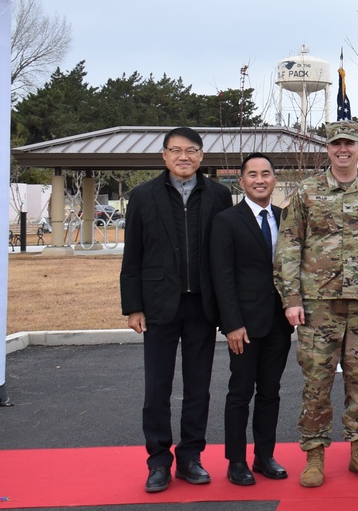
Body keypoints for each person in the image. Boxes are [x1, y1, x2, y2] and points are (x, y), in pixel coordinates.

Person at [274, 120, 358, 488]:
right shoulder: (306, 192)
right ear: (327, 149)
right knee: (317, 382)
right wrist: (291, 298)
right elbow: (289, 246)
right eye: (335, 144)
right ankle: (314, 456)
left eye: (349, 143)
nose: (342, 150)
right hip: (318, 306)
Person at [120, 127, 233, 493]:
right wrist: (133, 306)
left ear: (202, 155)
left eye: (191, 150)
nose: (183, 157)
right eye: (176, 150)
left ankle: (189, 457)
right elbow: (132, 255)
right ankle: (157, 461)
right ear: (164, 155)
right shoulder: (142, 196)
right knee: (157, 387)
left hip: (202, 305)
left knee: (198, 386)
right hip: (158, 306)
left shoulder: (218, 195)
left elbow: (223, 253)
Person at [207, 153, 293, 486]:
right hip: (243, 325)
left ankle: (264, 456)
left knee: (271, 391)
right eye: (253, 174)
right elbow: (222, 276)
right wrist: (231, 323)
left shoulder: (285, 217)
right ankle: (236, 461)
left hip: (279, 323)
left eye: (266, 174)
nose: (260, 180)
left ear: (275, 179)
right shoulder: (227, 220)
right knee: (240, 392)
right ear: (242, 181)